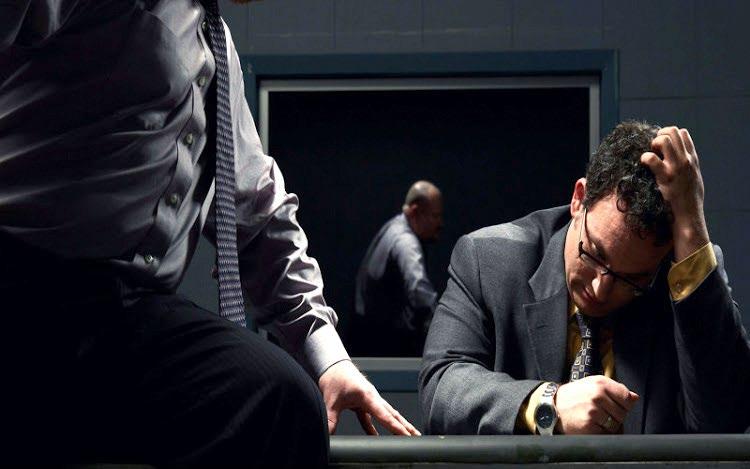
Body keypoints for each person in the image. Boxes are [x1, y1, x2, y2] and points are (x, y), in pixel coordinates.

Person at [0, 1, 418, 466]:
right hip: (21, 284)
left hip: (126, 313)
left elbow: (258, 211)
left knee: (278, 400)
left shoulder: (216, 47)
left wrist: (331, 360)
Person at [419, 121, 750, 435]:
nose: (600, 288)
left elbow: (725, 420)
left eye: (631, 280)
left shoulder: (684, 275)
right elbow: (441, 387)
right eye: (594, 254)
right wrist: (548, 403)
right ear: (579, 199)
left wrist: (692, 224)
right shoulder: (489, 259)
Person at [351, 181, 443, 356]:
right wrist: (446, 330)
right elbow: (419, 290)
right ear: (415, 212)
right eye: (435, 216)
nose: (440, 223)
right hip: (384, 350)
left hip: (369, 344)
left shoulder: (393, 227)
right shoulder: (405, 242)